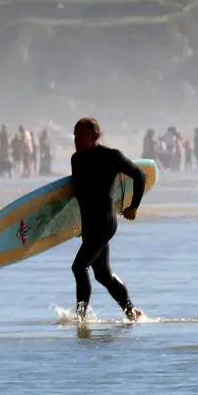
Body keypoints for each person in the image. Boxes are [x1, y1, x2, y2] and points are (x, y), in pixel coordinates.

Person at [69, 117, 145, 325]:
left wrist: (134, 206)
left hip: (104, 223)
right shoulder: (76, 160)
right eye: (74, 135)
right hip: (89, 225)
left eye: (80, 135)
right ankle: (131, 312)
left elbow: (139, 175)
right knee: (102, 274)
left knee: (79, 267)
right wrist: (75, 225)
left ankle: (80, 318)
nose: (75, 139)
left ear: (94, 136)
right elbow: (79, 196)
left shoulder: (110, 156)